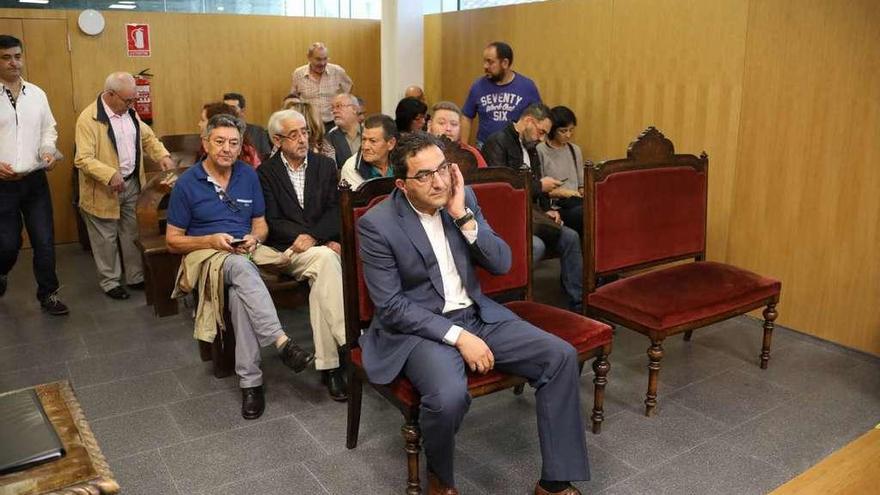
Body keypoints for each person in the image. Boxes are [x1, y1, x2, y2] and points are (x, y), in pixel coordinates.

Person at [357, 132, 590, 495]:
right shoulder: (377, 224)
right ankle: (440, 478)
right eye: (424, 176)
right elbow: (391, 306)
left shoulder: (462, 200)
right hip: (419, 330)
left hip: (477, 313)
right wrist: (461, 338)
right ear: (402, 184)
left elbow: (501, 262)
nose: (439, 182)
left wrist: (463, 217)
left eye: (443, 169)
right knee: (448, 396)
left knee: (559, 356)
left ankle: (554, 482)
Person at [165, 113, 315, 419]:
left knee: (239, 295)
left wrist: (253, 238)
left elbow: (260, 226)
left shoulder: (248, 176)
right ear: (206, 142)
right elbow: (172, 241)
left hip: (244, 253)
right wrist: (209, 239)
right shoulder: (187, 183)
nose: (227, 149)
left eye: (234, 143)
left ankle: (251, 383)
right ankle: (281, 341)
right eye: (219, 141)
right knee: (240, 267)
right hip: (206, 256)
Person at [258, 109, 347, 400]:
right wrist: (308, 238)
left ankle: (330, 366)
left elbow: (336, 209)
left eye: (305, 132)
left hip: (318, 248)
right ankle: (349, 344)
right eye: (293, 134)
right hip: (289, 250)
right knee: (326, 259)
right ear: (277, 140)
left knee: (323, 268)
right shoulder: (266, 173)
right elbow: (271, 220)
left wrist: (319, 237)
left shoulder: (323, 165)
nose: (302, 139)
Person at [74, 71, 174, 301]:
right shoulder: (88, 119)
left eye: (134, 100)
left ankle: (135, 276)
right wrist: (109, 174)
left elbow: (148, 138)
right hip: (103, 189)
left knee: (131, 232)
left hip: (131, 184)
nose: (132, 104)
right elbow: (83, 158)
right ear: (110, 95)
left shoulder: (129, 112)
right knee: (105, 238)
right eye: (128, 100)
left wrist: (162, 155)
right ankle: (110, 282)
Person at [482, 103, 583, 312]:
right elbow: (502, 187)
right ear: (529, 121)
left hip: (533, 214)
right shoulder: (497, 142)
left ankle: (579, 303)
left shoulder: (531, 147)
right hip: (508, 218)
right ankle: (509, 300)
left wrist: (548, 209)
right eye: (541, 131)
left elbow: (539, 185)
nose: (541, 138)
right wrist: (540, 186)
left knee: (571, 237)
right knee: (536, 246)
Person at [0, 35, 67, 315]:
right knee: (8, 244)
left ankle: (48, 294)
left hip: (35, 181)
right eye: (6, 58)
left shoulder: (37, 94)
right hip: (2, 186)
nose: (14, 63)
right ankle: (1, 271)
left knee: (44, 240)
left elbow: (48, 129)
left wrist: (48, 149)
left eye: (17, 56)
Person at [461, 41, 542, 148]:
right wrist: (464, 147)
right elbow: (466, 116)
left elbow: (538, 117)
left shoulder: (527, 86)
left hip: (515, 147)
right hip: (485, 146)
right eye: (484, 61)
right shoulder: (478, 86)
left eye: (490, 62)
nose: (485, 66)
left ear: (505, 63)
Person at [537, 106, 584, 236]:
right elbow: (538, 189)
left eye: (571, 130)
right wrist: (564, 193)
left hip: (576, 201)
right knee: (583, 213)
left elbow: (581, 185)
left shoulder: (575, 150)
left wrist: (582, 192)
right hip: (556, 205)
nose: (568, 135)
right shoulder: (540, 150)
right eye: (563, 131)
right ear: (552, 130)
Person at [290, 42, 353, 133]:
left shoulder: (337, 71)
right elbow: (293, 97)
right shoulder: (298, 74)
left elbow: (349, 87)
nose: (322, 63)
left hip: (332, 123)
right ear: (309, 57)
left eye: (325, 59)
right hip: (309, 125)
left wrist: (340, 105)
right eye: (318, 59)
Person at [339, 114, 397, 190]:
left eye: (373, 141)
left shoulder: (404, 160)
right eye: (364, 139)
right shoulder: (351, 168)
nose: (365, 147)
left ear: (391, 143)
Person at [197, 102, 261, 168]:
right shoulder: (204, 147)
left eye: (203, 120)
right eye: (219, 142)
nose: (199, 124)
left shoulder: (247, 154)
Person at [428, 101, 487, 170]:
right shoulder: (419, 151)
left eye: (454, 124)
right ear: (429, 125)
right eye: (442, 123)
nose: (448, 128)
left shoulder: (471, 153)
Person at [222, 92, 272, 160]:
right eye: (225, 108)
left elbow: (266, 156)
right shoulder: (219, 133)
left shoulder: (257, 131)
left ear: (242, 111)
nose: (228, 111)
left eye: (232, 108)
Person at [325, 93, 362, 167]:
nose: (334, 111)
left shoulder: (368, 132)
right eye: (332, 108)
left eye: (339, 106)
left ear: (354, 109)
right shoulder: (329, 138)